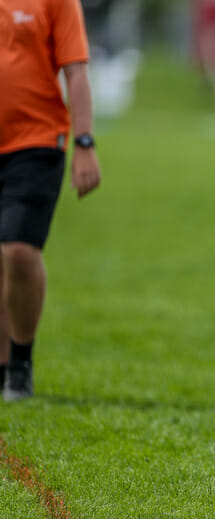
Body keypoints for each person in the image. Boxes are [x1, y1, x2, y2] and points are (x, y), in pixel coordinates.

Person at [0, 0, 101, 401]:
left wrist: (85, 143)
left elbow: (75, 70)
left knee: (19, 251)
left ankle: (21, 361)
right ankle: (2, 366)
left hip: (37, 143)